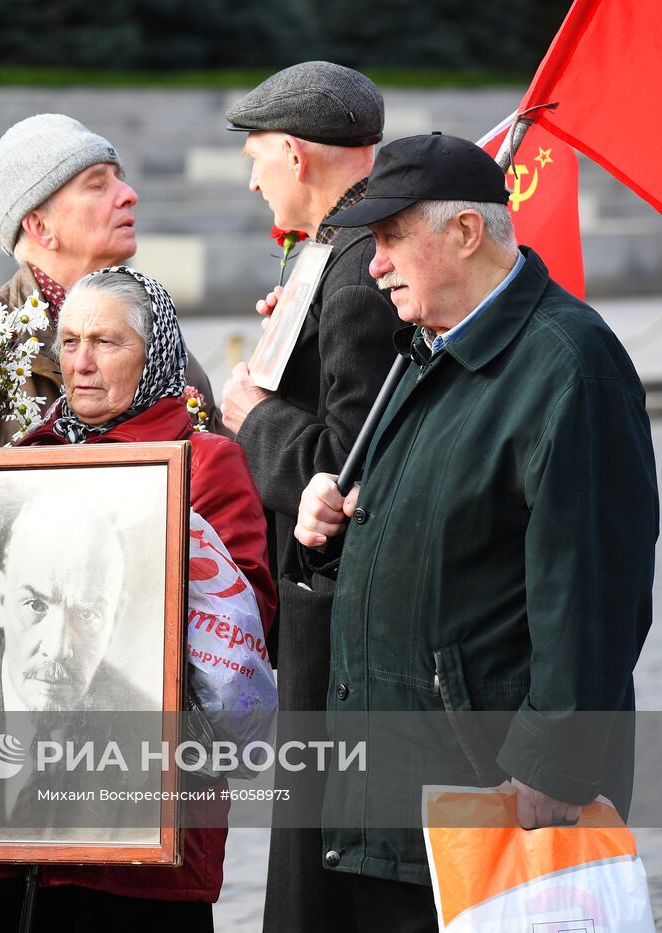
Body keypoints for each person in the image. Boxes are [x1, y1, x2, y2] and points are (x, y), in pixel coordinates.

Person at [293, 134, 657, 931]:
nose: (376, 264)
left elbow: (593, 589)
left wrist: (549, 773)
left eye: (391, 239)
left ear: (465, 232)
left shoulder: (570, 363)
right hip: (393, 801)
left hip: (492, 811)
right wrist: (324, 533)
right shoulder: (422, 351)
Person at [0, 112, 222, 932]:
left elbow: (213, 527)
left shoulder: (162, 343)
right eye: (97, 185)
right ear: (37, 223)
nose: (128, 196)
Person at [0, 267, 275, 931]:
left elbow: (247, 620)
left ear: (156, 353)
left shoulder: (205, 463)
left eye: (106, 343)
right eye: (70, 340)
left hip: (141, 838)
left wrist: (160, 544)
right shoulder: (22, 459)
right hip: (9, 837)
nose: (80, 362)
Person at [219, 61, 402, 932]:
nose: (252, 178)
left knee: (321, 880)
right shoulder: (342, 249)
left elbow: (351, 461)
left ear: (294, 152)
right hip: (333, 612)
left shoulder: (361, 262)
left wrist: (254, 414)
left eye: (257, 156)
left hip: (338, 615)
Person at [0, 492, 150, 715]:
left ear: (114, 619)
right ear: (1, 599)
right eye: (35, 605)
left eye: (87, 614)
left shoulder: (149, 723)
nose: (56, 650)